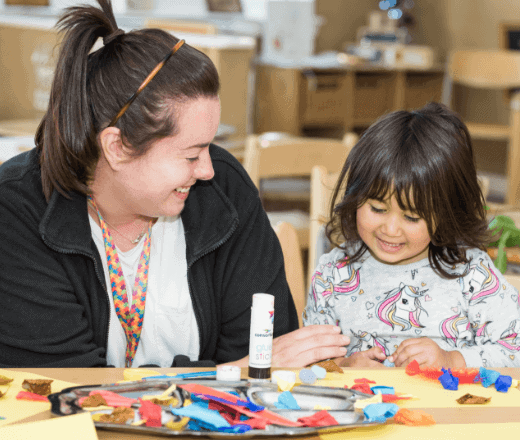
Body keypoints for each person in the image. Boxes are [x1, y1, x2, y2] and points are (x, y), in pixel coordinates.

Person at [0, 0, 349, 368]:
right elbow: (66, 390)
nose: (208, 170)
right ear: (116, 147)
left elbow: (272, 364)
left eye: (209, 146)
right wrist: (234, 373)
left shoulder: (223, 192)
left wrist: (244, 372)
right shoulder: (18, 213)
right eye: (190, 154)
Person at [303, 102, 520, 369]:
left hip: (447, 410)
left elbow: (514, 351)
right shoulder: (332, 275)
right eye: (378, 208)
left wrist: (451, 359)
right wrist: (344, 366)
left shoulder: (471, 274)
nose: (391, 230)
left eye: (412, 217)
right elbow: (308, 364)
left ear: (445, 213)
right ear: (355, 198)